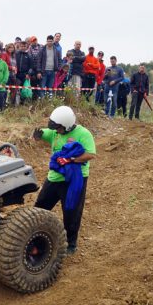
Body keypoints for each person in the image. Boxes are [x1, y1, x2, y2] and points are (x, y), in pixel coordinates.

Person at [33, 105, 96, 254]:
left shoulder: (83, 134)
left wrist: (71, 159)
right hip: (54, 178)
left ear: (67, 126)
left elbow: (91, 154)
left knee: (71, 212)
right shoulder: (55, 132)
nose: (56, 132)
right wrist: (37, 135)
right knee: (40, 206)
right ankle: (34, 236)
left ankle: (71, 244)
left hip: (74, 180)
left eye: (59, 128)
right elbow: (42, 134)